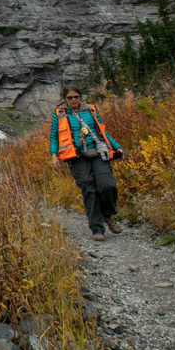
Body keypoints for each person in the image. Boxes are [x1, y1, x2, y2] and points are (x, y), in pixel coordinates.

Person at [49, 86, 125, 241]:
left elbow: (103, 132)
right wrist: (54, 155)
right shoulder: (59, 114)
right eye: (70, 98)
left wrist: (117, 147)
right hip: (76, 156)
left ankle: (108, 215)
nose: (73, 100)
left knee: (107, 184)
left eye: (76, 96)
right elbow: (54, 136)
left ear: (80, 97)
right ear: (65, 99)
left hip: (97, 151)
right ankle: (97, 229)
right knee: (88, 189)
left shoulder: (91, 110)